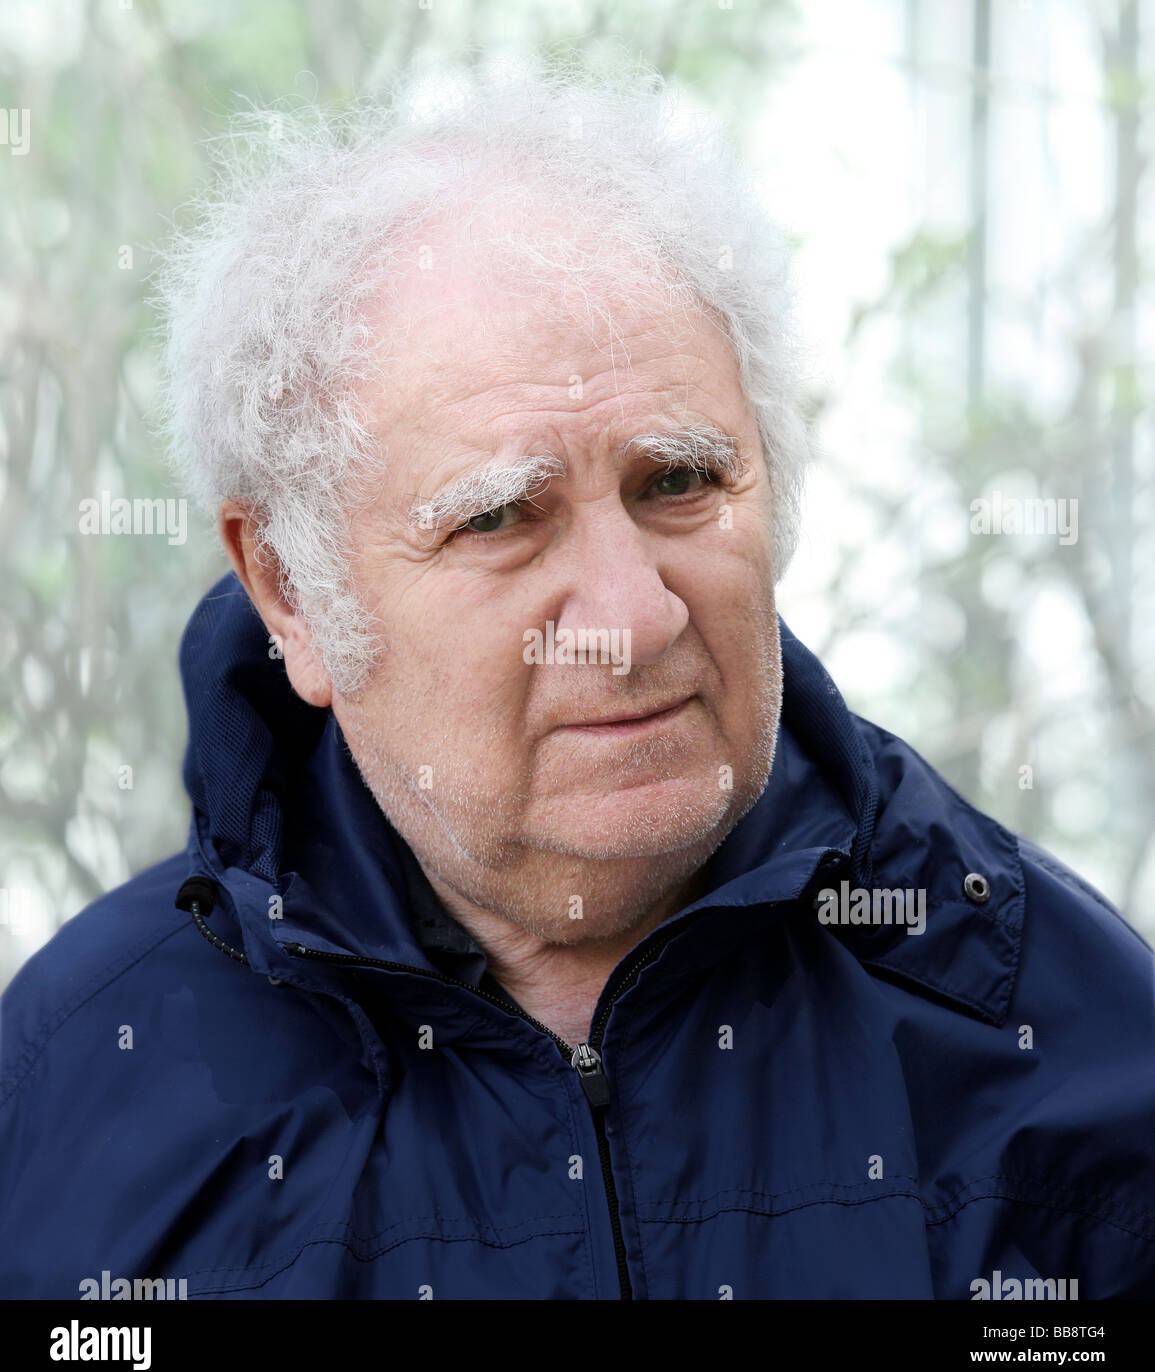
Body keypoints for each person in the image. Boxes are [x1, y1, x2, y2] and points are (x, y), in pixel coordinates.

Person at [2, 60, 1152, 1301]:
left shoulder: (1064, 1033)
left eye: (678, 483)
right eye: (501, 517)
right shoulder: (75, 1091)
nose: (632, 616)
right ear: (292, 586)